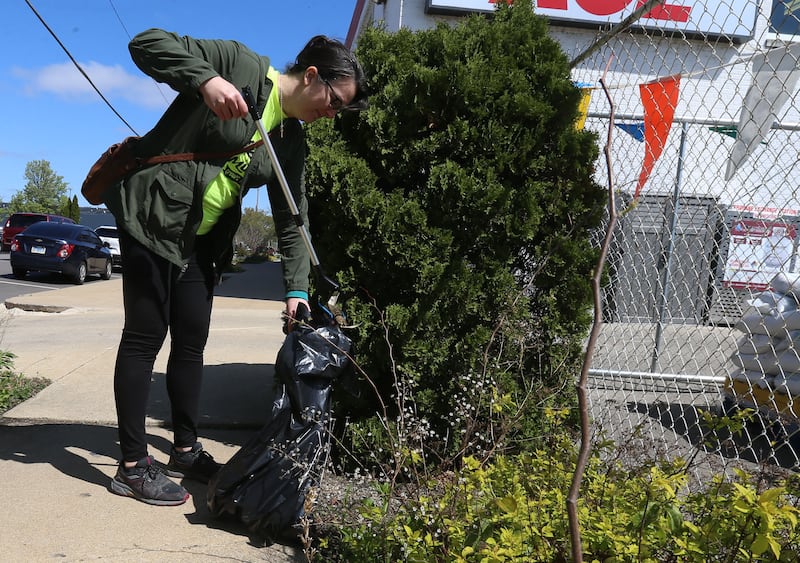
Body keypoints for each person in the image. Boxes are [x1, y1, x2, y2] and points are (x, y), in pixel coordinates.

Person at [103, 28, 368, 506]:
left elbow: (293, 216)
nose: (331, 115)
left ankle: (184, 449)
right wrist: (205, 79)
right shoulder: (240, 65)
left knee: (191, 341)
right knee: (145, 337)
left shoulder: (289, 138)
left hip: (200, 243)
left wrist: (298, 289)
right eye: (333, 102)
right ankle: (132, 465)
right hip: (152, 216)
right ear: (311, 77)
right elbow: (145, 44)